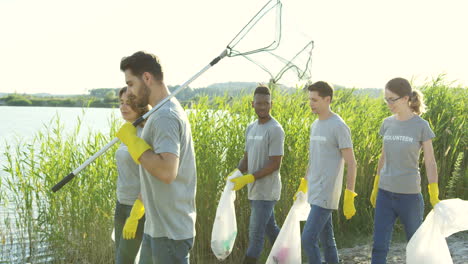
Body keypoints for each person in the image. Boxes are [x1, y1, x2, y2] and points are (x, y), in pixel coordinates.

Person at [116, 51, 197, 264]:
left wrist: (133, 142)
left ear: (147, 78)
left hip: (170, 232)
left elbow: (167, 171)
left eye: (131, 84)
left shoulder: (165, 115)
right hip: (158, 227)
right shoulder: (159, 112)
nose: (130, 92)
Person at [370, 77, 440, 264]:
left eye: (391, 99)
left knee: (415, 248)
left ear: (405, 98)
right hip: (385, 194)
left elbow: (431, 162)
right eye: (386, 99)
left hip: (410, 197)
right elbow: (383, 157)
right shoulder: (387, 123)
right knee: (378, 247)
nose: (388, 103)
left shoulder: (421, 126)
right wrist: (376, 184)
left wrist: (433, 191)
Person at [297, 81, 358, 264]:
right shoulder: (315, 125)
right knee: (326, 240)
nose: (311, 103)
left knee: (308, 239)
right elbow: (314, 158)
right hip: (314, 190)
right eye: (310, 99)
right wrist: (304, 184)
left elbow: (352, 163)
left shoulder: (338, 126)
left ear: (327, 99)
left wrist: (349, 195)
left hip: (327, 192)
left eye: (315, 100)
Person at [229, 85, 284, 264]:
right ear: (252, 104)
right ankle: (288, 258)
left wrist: (250, 177)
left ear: (271, 104)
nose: (262, 107)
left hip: (267, 192)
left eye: (266, 103)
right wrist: (237, 172)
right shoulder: (250, 128)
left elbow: (275, 163)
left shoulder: (275, 129)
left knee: (255, 236)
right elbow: (247, 157)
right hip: (253, 190)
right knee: (271, 229)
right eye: (259, 103)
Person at [114, 86, 149, 264]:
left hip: (137, 208)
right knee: (121, 258)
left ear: (141, 105)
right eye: (121, 102)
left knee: (123, 261)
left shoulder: (145, 134)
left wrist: (136, 213)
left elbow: (151, 176)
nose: (123, 107)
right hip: (121, 203)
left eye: (129, 103)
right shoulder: (127, 132)